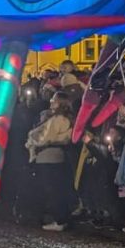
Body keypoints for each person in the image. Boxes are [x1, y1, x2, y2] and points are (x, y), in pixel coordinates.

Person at [26, 90, 74, 230]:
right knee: (55, 188)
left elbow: (46, 138)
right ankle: (60, 218)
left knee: (52, 189)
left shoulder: (58, 119)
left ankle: (60, 219)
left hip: (48, 156)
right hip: (53, 156)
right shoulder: (63, 118)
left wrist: (33, 142)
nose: (51, 101)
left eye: (54, 100)